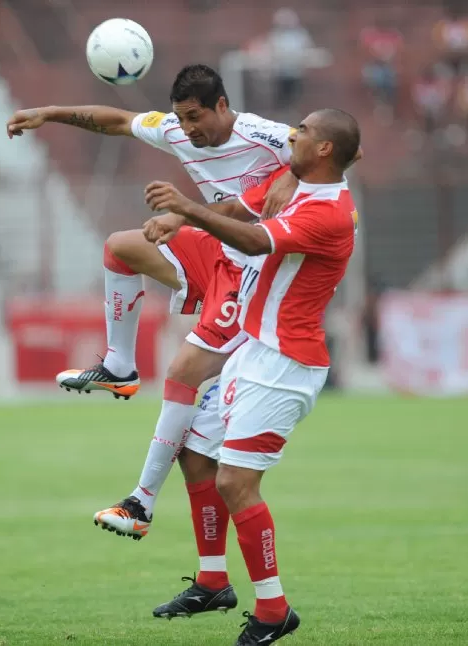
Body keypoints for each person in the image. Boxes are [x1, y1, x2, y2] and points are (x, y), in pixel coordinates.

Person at [6, 64, 299, 545]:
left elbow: (339, 147)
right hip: (214, 248)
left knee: (183, 374)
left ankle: (141, 501)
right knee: (121, 246)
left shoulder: (265, 136)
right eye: (180, 118)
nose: (186, 129)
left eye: (194, 117)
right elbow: (118, 120)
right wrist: (48, 113)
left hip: (255, 270)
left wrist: (293, 175)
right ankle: (120, 366)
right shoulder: (180, 131)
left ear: (222, 106)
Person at [141, 108, 361, 644]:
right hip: (252, 353)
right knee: (195, 453)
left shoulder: (329, 212)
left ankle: (273, 610)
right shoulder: (296, 182)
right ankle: (214, 581)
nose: (294, 134)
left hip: (285, 365)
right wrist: (184, 218)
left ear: (326, 149)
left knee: (237, 482)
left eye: (304, 131)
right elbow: (239, 206)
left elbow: (253, 241)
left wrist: (185, 207)